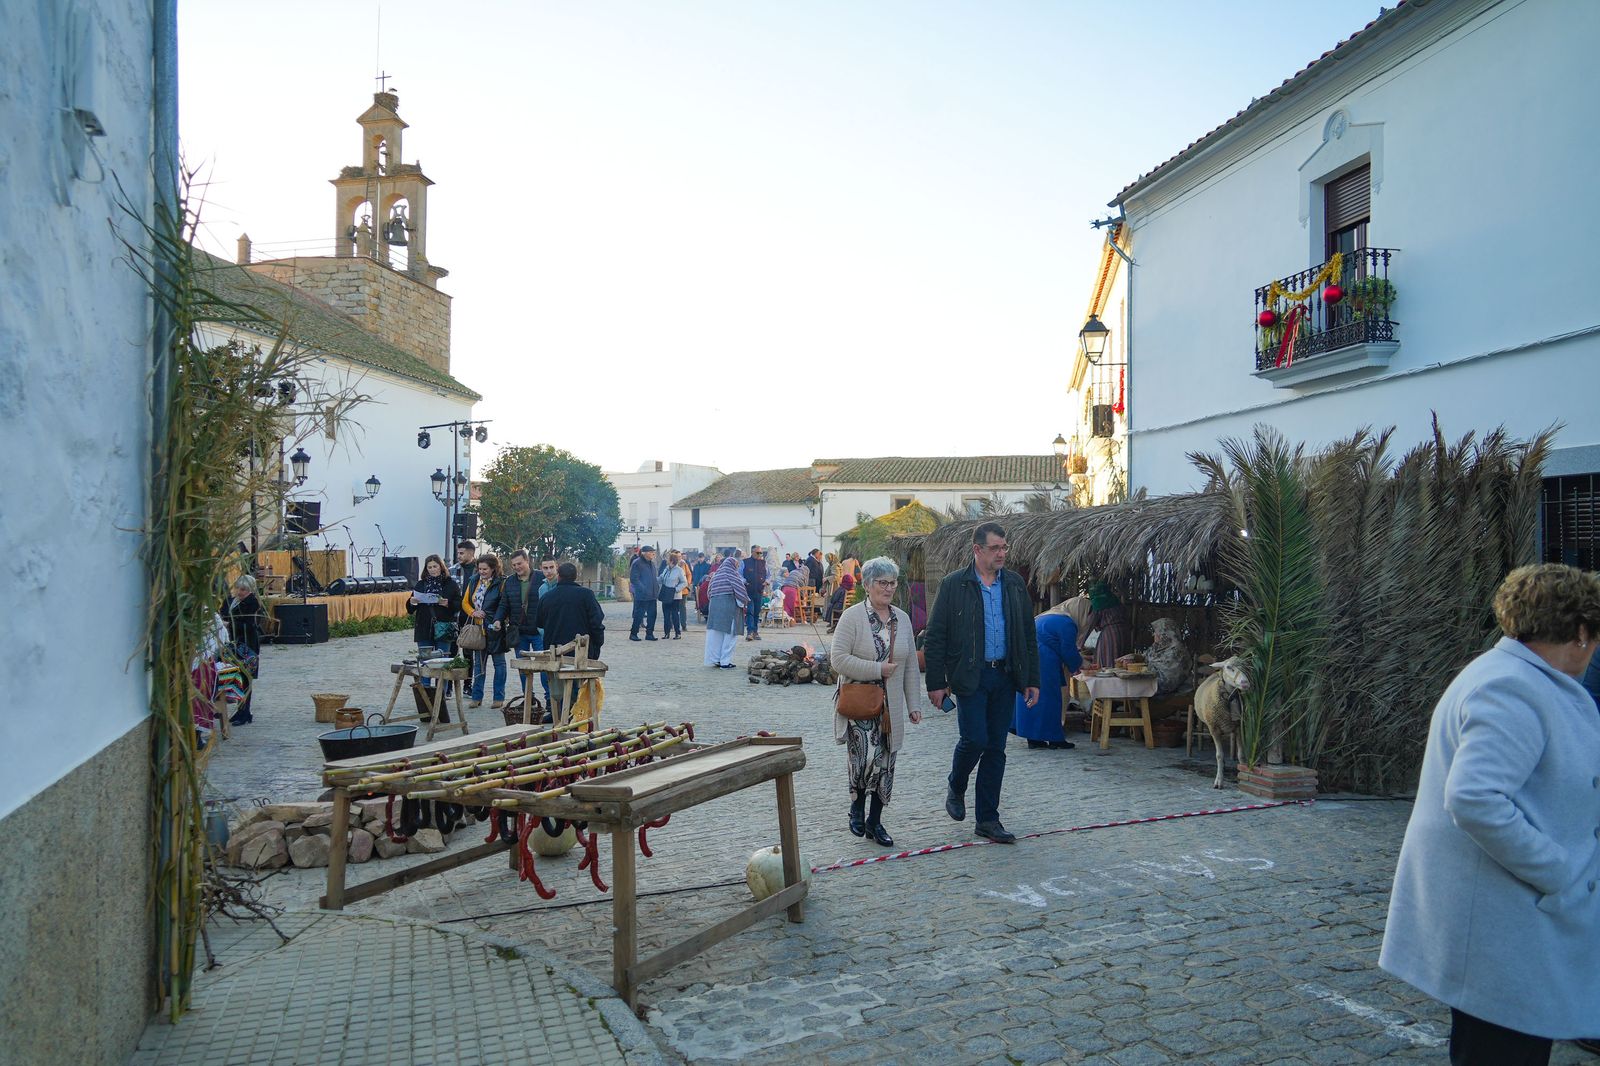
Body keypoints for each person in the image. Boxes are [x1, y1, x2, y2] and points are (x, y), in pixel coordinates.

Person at [1379, 563, 1600, 1064]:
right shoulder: (1513, 687)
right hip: (1505, 924)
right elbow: (1475, 797)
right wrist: (1558, 870)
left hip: (1508, 920)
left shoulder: (1517, 675)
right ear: (1582, 632)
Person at [923, 522, 1040, 844]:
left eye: (1005, 547)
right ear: (977, 550)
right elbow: (935, 638)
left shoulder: (1015, 584)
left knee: (996, 749)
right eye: (995, 548)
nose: (1002, 553)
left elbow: (1028, 635)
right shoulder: (954, 585)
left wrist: (1031, 679)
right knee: (974, 740)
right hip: (970, 675)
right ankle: (956, 784)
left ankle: (988, 819)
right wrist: (936, 682)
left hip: (1004, 675)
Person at [830, 557, 922, 847]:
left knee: (885, 762)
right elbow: (838, 660)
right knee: (864, 759)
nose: (888, 588)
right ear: (867, 585)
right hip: (860, 701)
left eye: (892, 582)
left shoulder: (902, 619)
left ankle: (875, 821)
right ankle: (856, 807)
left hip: (890, 706)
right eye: (882, 582)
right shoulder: (853, 617)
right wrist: (877, 670)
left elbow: (909, 666)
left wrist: (914, 705)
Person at [533, 560, 607, 713]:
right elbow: (597, 622)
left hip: (555, 651)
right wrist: (598, 644)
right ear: (576, 576)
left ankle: (562, 716)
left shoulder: (547, 597)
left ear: (558, 576)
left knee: (560, 689)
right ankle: (574, 717)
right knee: (579, 688)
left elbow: (539, 623)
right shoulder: (586, 595)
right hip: (582, 652)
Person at [1014, 599, 1085, 750]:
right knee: (1050, 698)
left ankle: (1033, 737)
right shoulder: (1067, 623)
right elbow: (1068, 650)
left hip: (1029, 657)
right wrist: (1080, 664)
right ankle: (1054, 738)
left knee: (1031, 695)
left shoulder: (1047, 616)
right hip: (1044, 660)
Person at [463, 553, 507, 709]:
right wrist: (473, 612)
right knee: (478, 665)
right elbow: (465, 602)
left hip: (494, 629)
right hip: (478, 629)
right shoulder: (474, 581)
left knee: (499, 664)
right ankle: (476, 697)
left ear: (493, 569)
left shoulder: (501, 583)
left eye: (485, 569)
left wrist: (498, 620)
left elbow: (504, 604)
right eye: (480, 568)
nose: (482, 571)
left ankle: (498, 697)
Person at [221, 574, 264, 726]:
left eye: (243, 589)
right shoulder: (233, 601)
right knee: (237, 677)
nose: (240, 592)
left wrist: (228, 624)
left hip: (247, 646)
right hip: (235, 644)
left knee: (246, 679)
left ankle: (245, 712)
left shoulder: (253, 603)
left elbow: (250, 625)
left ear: (251, 590)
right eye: (238, 588)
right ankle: (241, 710)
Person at [501, 549, 544, 697]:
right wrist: (497, 620)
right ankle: (528, 699)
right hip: (519, 632)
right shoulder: (510, 581)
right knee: (523, 669)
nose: (517, 567)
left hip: (539, 631)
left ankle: (551, 701)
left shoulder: (541, 577)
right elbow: (504, 604)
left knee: (545, 667)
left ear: (527, 561)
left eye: (519, 563)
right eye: (514, 565)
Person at [704, 548, 748, 668]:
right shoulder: (732, 574)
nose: (737, 567)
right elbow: (741, 591)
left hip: (714, 608)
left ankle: (715, 659)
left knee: (715, 635)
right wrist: (745, 601)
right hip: (729, 608)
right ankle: (725, 661)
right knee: (730, 636)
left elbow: (709, 592)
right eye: (737, 565)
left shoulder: (716, 575)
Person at [1083, 580, 1132, 668]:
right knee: (1122, 660)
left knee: (1107, 659)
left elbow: (1089, 626)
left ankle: (1107, 680)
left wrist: (1079, 644)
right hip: (1125, 634)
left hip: (1110, 634)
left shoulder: (1099, 603)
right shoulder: (1115, 601)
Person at [1145, 617, 1194, 697]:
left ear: (1165, 633)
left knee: (1140, 686)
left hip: (1171, 687)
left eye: (1157, 632)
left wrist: (1148, 670)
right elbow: (1145, 657)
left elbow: (1171, 678)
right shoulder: (1157, 647)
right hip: (1155, 681)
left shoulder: (1177, 650)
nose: (1154, 634)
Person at [628, 546, 661, 641]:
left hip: (652, 595)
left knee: (652, 615)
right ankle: (633, 634)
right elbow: (634, 579)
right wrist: (643, 589)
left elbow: (654, 578)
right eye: (651, 552)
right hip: (642, 595)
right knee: (639, 615)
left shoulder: (652, 564)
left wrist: (656, 588)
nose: (653, 554)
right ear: (644, 553)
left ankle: (649, 634)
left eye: (653, 552)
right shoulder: (637, 563)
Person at [658, 549, 689, 639]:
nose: (666, 560)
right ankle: (666, 633)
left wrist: (676, 589)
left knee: (675, 615)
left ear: (671, 560)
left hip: (675, 596)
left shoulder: (679, 570)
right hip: (665, 594)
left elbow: (684, 582)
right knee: (666, 615)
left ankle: (677, 633)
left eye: (668, 559)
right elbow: (661, 578)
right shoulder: (666, 569)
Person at [742, 545, 768, 641]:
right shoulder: (745, 562)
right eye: (758, 552)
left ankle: (755, 631)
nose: (760, 554)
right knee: (750, 611)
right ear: (752, 552)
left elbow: (768, 575)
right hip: (748, 591)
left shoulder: (763, 563)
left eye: (761, 552)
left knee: (757, 612)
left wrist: (767, 581)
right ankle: (750, 632)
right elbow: (739, 574)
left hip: (759, 590)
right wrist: (745, 582)